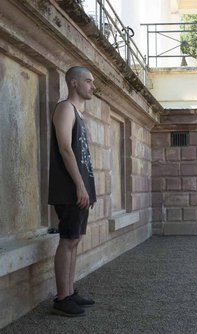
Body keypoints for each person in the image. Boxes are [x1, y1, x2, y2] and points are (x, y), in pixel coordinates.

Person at [48, 66, 97, 316]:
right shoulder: (65, 108)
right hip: (69, 189)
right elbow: (65, 148)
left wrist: (87, 186)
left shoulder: (78, 112)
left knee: (74, 240)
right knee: (68, 240)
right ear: (74, 83)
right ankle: (62, 297)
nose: (93, 86)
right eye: (88, 81)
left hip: (80, 189)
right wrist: (79, 185)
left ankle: (70, 291)